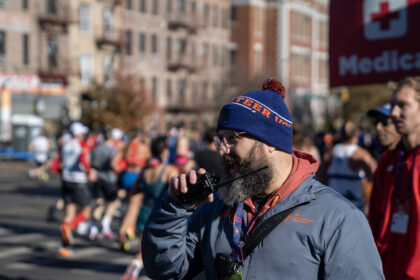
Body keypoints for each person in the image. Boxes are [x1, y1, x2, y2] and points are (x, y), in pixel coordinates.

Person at [141, 78, 384, 279]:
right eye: (220, 140)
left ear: (270, 143)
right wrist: (174, 209)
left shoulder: (337, 218)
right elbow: (166, 271)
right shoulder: (214, 205)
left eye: (232, 139)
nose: (222, 150)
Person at [369, 77, 420, 280]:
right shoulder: (387, 162)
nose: (394, 113)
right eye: (393, 106)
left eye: (403, 106)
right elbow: (374, 220)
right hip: (386, 272)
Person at [121, 135, 178, 280]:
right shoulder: (169, 170)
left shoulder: (145, 170)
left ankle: (133, 270)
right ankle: (134, 270)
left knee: (144, 248)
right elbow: (178, 192)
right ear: (165, 151)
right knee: (161, 251)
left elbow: (134, 191)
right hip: (161, 214)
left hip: (145, 211)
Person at [56, 122, 92, 257]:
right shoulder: (80, 145)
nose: (83, 135)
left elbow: (58, 163)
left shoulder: (65, 144)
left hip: (66, 180)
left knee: (69, 213)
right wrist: (90, 172)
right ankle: (69, 227)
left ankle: (64, 246)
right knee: (86, 211)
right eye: (82, 133)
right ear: (78, 134)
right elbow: (83, 161)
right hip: (79, 181)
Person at [326, 121, 377, 213]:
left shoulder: (331, 153)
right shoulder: (360, 154)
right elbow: (374, 176)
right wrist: (368, 202)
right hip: (353, 206)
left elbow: (320, 177)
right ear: (357, 134)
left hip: (333, 204)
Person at [88, 128, 122, 240]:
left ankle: (93, 230)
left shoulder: (96, 149)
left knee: (99, 203)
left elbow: (91, 162)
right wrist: (120, 170)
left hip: (98, 178)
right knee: (113, 202)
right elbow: (114, 164)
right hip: (109, 179)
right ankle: (105, 224)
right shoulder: (112, 150)